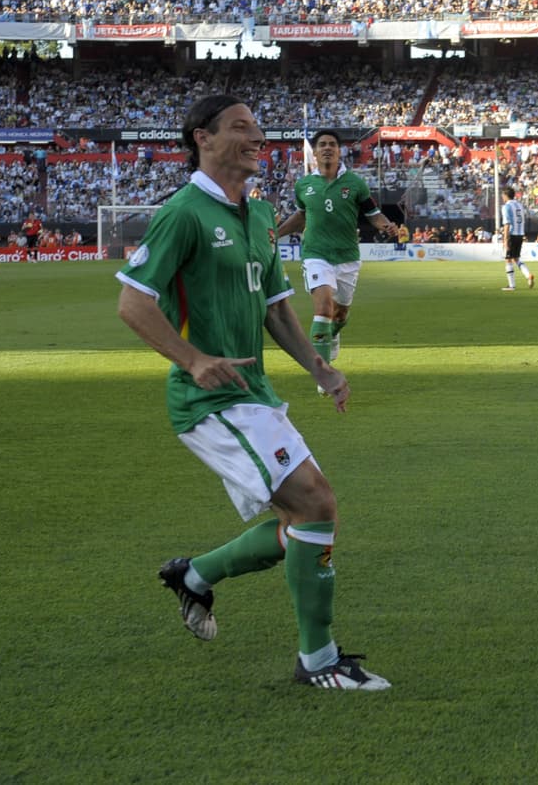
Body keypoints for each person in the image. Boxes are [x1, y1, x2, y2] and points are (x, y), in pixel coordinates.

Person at [116, 94, 389, 691]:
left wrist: (320, 368)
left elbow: (275, 310)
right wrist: (192, 359)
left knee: (305, 522)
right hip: (209, 401)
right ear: (202, 139)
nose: (257, 136)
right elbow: (133, 301)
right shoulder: (184, 213)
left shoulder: (261, 216)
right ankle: (318, 662)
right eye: (241, 127)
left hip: (254, 394)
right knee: (315, 504)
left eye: (258, 127)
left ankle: (196, 576)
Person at [277, 129, 397, 370]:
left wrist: (387, 225)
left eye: (332, 143)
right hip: (315, 254)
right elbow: (301, 216)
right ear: (316, 151)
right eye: (322, 144)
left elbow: (373, 215)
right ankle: (324, 372)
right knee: (323, 309)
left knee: (340, 316)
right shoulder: (304, 185)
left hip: (347, 257)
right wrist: (275, 234)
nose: (327, 147)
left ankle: (333, 333)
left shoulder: (355, 184)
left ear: (339, 150)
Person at [500, 186, 535, 291]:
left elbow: (507, 224)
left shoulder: (506, 206)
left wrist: (505, 240)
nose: (502, 197)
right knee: (516, 258)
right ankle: (528, 275)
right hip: (520, 234)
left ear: (505, 195)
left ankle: (511, 286)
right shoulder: (519, 205)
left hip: (511, 234)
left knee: (508, 259)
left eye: (502, 195)